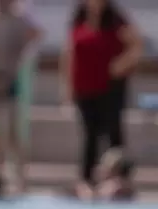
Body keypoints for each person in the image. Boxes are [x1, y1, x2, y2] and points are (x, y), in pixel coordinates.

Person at [61, 0, 142, 196]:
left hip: (109, 88)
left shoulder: (116, 22)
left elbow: (137, 46)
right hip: (85, 88)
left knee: (113, 133)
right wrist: (67, 86)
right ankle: (86, 181)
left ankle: (120, 180)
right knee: (90, 136)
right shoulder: (79, 20)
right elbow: (69, 53)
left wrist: (121, 64)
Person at [0, 0, 41, 195]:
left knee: (13, 128)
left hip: (11, 74)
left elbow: (34, 35)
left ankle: (20, 177)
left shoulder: (21, 14)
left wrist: (17, 59)